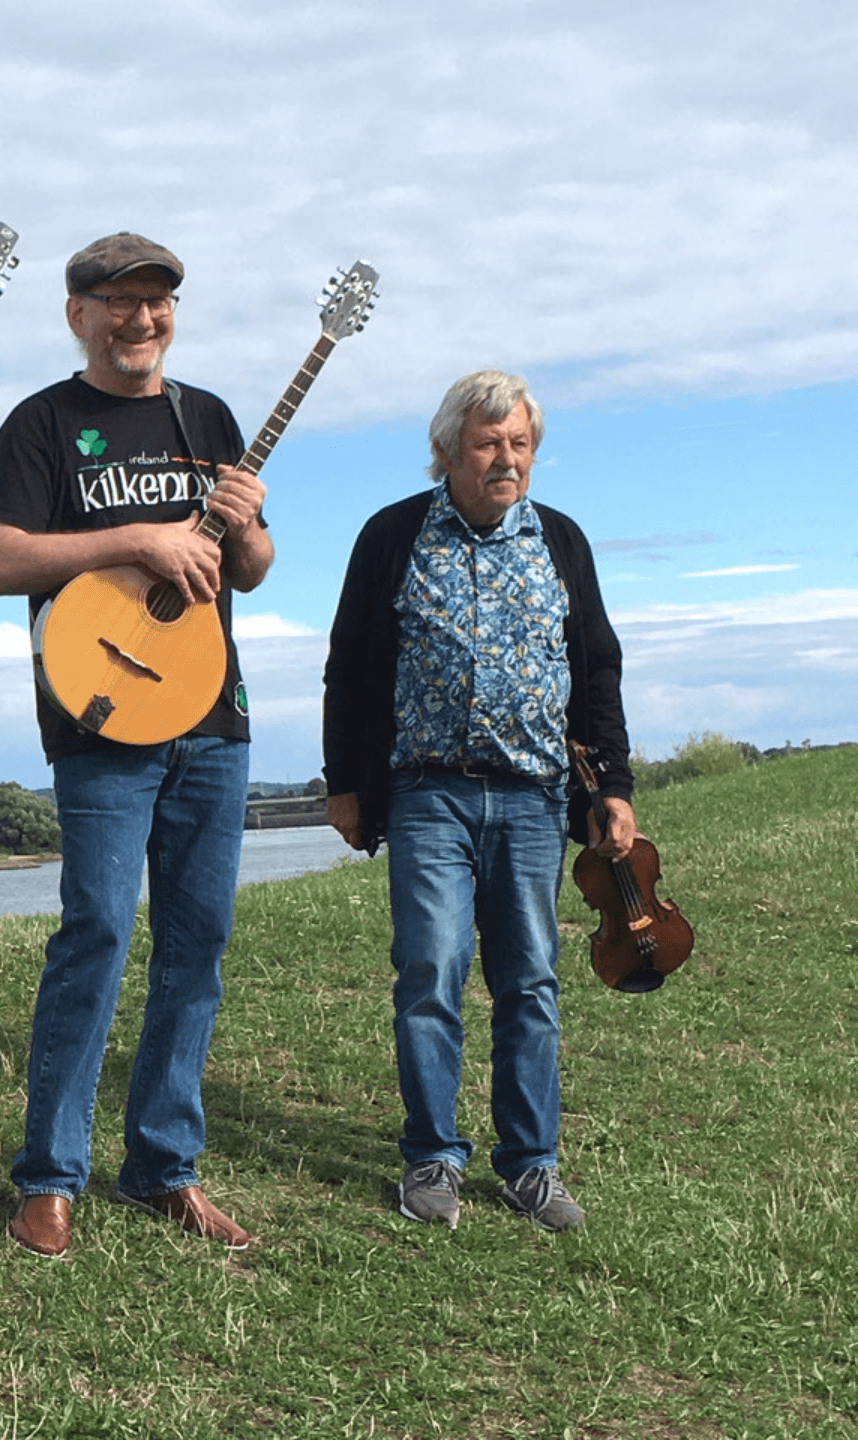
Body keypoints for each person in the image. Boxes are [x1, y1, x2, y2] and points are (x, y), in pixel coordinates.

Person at [0, 233, 275, 1259]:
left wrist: (251, 525)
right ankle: (49, 1177)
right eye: (119, 303)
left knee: (197, 945)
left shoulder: (209, 418)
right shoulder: (44, 423)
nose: (141, 320)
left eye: (157, 303)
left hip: (212, 720)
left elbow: (252, 569)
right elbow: (3, 560)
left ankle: (163, 1168)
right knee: (96, 929)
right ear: (77, 315)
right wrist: (136, 540)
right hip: (99, 717)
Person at [320, 369, 635, 1233]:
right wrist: (345, 782)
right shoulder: (393, 535)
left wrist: (612, 788)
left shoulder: (561, 541)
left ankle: (532, 1167)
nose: (507, 459)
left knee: (529, 980)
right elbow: (349, 665)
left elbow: (595, 668)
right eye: (489, 443)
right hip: (428, 794)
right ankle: (431, 1159)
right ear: (449, 452)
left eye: (520, 444)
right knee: (430, 970)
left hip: (534, 798)